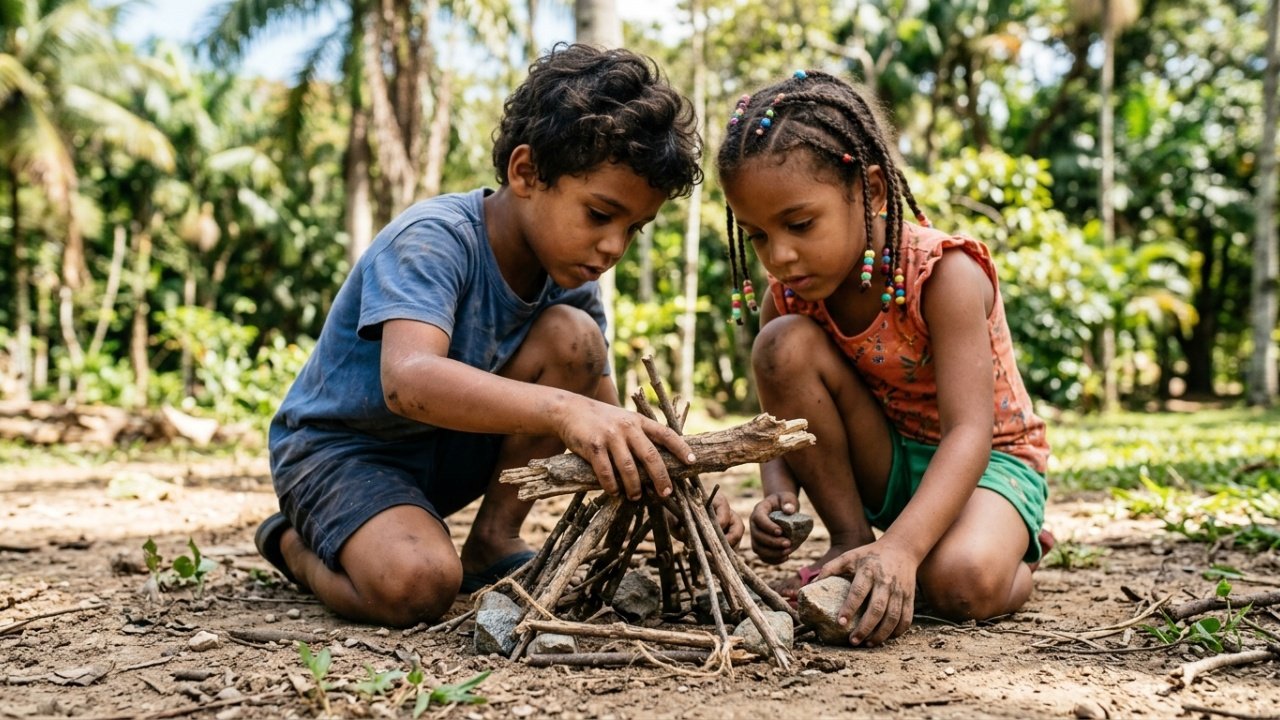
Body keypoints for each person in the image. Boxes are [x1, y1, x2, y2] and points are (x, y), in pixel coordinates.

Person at [256, 43, 743, 628]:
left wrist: (680, 484)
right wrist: (563, 411)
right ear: (526, 172)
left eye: (634, 228)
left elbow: (606, 414)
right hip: (341, 455)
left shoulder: (570, 281)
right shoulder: (433, 239)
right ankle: (291, 543)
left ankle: (493, 539)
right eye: (599, 214)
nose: (614, 246)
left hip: (447, 454)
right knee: (419, 585)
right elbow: (408, 381)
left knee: (575, 338)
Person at [716, 70, 1052, 647]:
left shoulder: (944, 275)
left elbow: (970, 433)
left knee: (960, 584)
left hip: (987, 465)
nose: (780, 255)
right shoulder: (791, 296)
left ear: (871, 191)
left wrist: (902, 548)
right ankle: (850, 539)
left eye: (799, 224)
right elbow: (781, 422)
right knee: (780, 344)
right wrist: (778, 490)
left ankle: (1020, 551)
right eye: (758, 237)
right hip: (887, 460)